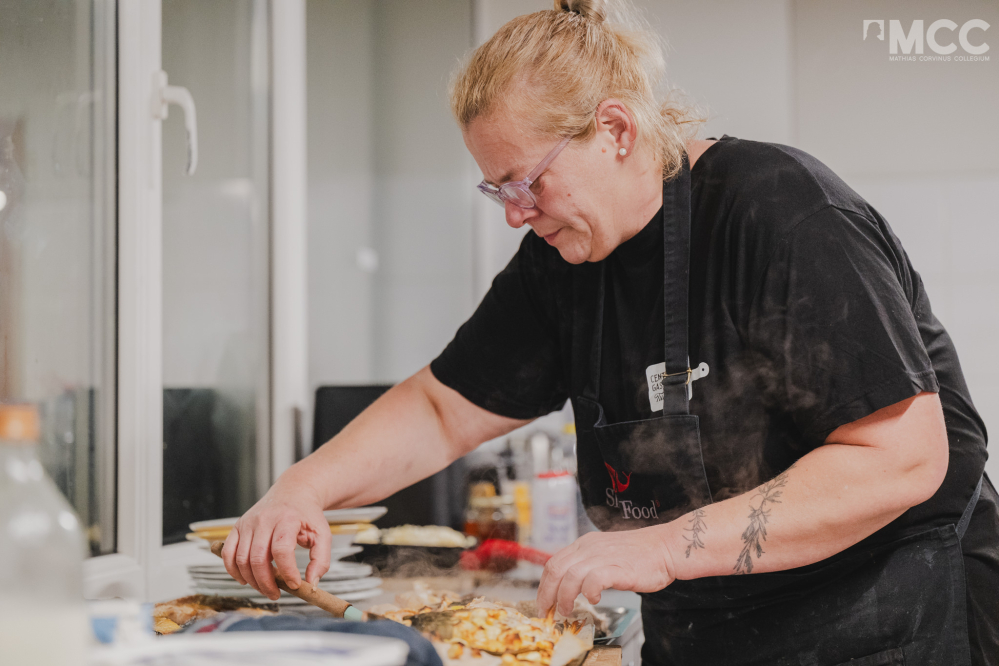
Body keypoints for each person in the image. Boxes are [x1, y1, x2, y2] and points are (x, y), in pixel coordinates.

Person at [223, 1, 998, 663]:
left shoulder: (782, 213)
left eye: (527, 182)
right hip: (705, 629)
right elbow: (441, 408)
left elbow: (900, 457)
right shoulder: (560, 261)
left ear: (615, 130)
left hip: (882, 618)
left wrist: (659, 546)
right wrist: (302, 490)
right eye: (497, 190)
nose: (515, 214)